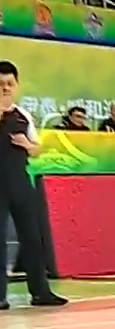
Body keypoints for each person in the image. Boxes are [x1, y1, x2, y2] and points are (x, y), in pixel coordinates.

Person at [0, 60, 67, 311]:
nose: (6, 88)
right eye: (0, 84)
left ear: (17, 85)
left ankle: (41, 292)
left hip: (20, 181)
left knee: (32, 237)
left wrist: (26, 145)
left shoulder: (23, 115)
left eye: (10, 83)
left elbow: (37, 149)